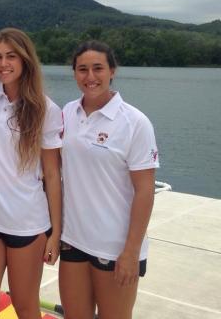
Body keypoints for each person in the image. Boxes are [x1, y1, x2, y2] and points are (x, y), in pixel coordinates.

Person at [59, 40, 159, 319]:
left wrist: (131, 251)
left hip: (115, 247)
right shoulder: (67, 113)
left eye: (98, 68)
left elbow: (145, 190)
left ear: (112, 71)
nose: (90, 77)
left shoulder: (135, 123)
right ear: (74, 73)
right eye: (82, 69)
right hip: (73, 240)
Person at [0, 28, 63, 319]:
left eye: (11, 56)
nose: (3, 63)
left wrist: (55, 233)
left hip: (27, 224)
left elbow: (51, 173)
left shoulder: (45, 108)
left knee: (25, 307)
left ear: (25, 60)